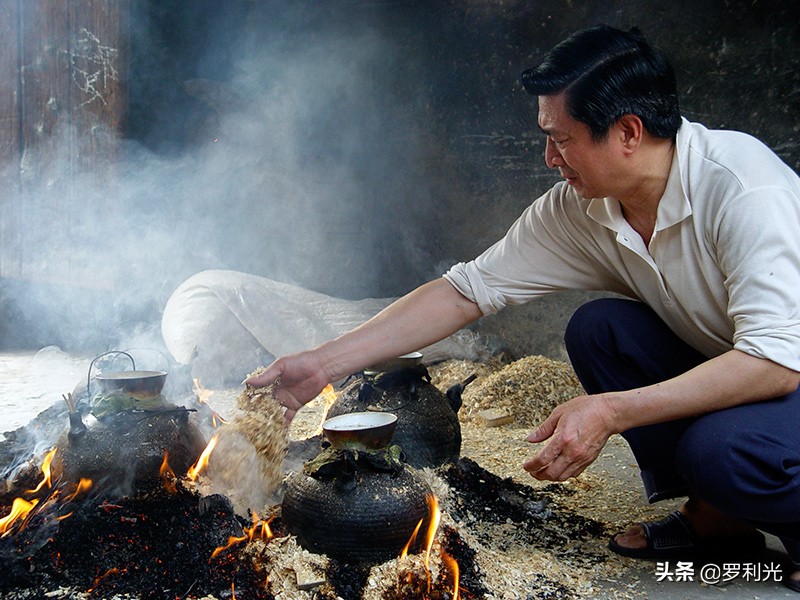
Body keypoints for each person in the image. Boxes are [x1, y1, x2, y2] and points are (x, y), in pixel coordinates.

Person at [246, 25, 800, 591]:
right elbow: (466, 291)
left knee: (723, 453)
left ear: (628, 132)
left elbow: (776, 362)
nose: (548, 156)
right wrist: (322, 363)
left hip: (785, 371)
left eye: (560, 139)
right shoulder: (583, 209)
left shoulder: (742, 190)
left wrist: (610, 411)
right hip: (749, 362)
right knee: (600, 330)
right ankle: (719, 520)